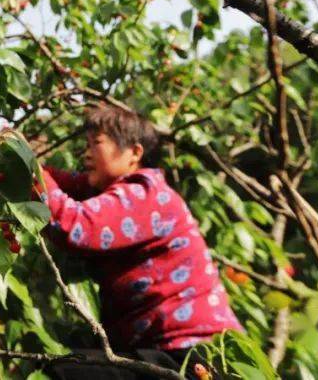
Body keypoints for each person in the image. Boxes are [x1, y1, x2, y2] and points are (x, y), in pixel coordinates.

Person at [37, 102, 242, 378]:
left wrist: (29, 168)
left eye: (95, 143)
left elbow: (77, 226)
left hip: (193, 356)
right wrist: (28, 165)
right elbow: (69, 184)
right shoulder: (121, 192)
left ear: (134, 152)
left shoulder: (145, 193)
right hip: (166, 351)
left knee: (65, 372)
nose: (86, 154)